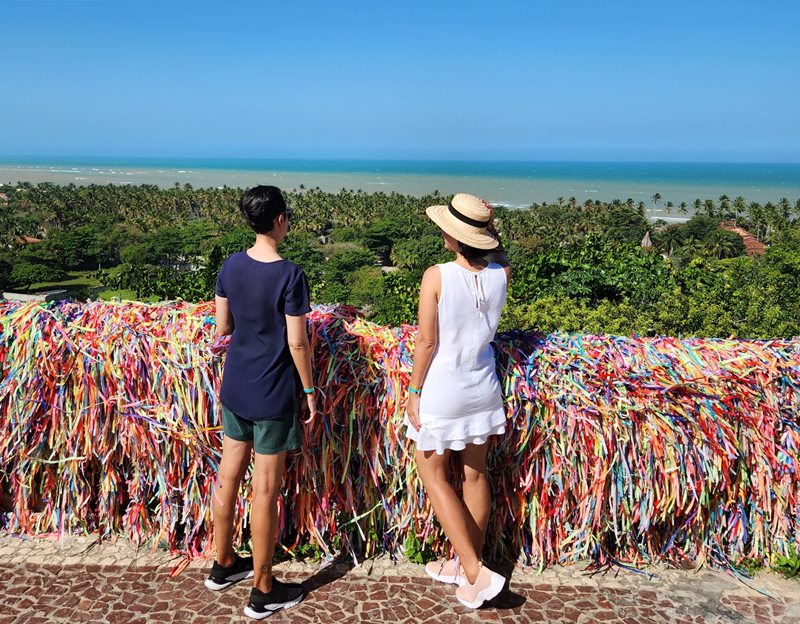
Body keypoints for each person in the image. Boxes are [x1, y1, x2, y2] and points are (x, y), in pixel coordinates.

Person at [206, 185, 317, 620]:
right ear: (279, 221)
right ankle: (263, 588)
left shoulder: (230, 266)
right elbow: (297, 341)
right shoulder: (290, 275)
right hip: (272, 393)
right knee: (265, 490)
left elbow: (222, 326)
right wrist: (309, 391)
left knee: (228, 475)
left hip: (235, 386)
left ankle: (222, 564)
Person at [405, 193, 511, 609]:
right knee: (475, 476)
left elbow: (426, 340)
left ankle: (474, 571)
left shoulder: (437, 275)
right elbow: (496, 254)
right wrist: (487, 231)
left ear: (453, 234)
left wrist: (414, 391)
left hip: (443, 388)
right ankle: (464, 564)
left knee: (433, 475)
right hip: (483, 385)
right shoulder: (502, 273)